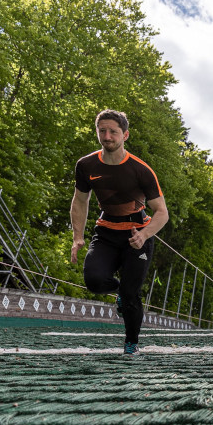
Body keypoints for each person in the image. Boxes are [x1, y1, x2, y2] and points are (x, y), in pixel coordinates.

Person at [70, 109, 169, 355]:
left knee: (132, 293)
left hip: (137, 235)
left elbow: (162, 212)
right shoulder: (86, 165)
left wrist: (144, 235)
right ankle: (120, 292)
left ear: (125, 135)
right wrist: (77, 237)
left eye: (113, 132)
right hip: (106, 232)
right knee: (94, 281)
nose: (107, 136)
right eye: (102, 131)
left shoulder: (141, 170)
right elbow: (80, 201)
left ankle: (131, 344)